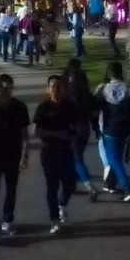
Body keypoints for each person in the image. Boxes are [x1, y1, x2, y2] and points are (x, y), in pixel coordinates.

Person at [0, 74, 30, 241]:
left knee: (11, 189)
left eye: (9, 87)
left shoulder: (20, 107)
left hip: (13, 155)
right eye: (3, 87)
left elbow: (25, 134)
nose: (6, 91)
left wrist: (25, 154)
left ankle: (7, 220)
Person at [35, 75, 82, 233]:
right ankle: (55, 220)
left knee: (70, 183)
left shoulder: (69, 106)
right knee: (52, 186)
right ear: (48, 89)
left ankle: (62, 203)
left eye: (59, 87)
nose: (56, 90)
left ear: (64, 90)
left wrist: (69, 135)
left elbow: (77, 128)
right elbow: (37, 131)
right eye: (53, 87)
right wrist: (56, 134)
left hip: (66, 151)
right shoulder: (43, 108)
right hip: (49, 151)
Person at [95, 61, 130, 201]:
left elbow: (95, 106)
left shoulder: (104, 89)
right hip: (124, 128)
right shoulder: (128, 89)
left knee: (114, 160)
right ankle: (111, 183)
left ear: (108, 73)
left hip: (109, 128)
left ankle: (127, 189)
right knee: (116, 157)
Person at [63, 58, 99, 201]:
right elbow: (94, 110)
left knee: (76, 158)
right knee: (77, 156)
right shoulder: (86, 95)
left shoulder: (67, 97)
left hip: (72, 128)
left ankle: (90, 186)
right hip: (84, 127)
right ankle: (74, 182)